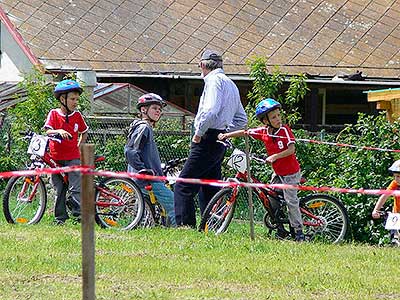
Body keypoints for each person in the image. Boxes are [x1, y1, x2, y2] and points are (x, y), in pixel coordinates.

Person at [174, 49, 247, 228]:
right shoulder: (231, 84)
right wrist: (225, 132)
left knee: (183, 185)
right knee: (209, 188)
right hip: (220, 140)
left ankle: (186, 227)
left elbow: (210, 111)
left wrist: (198, 134)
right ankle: (210, 228)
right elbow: (242, 119)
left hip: (207, 139)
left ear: (202, 65)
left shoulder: (213, 81)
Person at [218, 98, 305, 241]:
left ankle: (298, 231)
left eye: (278, 115)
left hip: (291, 173)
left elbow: (291, 149)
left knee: (291, 201)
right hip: (278, 172)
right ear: (265, 121)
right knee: (271, 197)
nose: (278, 119)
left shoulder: (284, 130)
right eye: (273, 117)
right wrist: (227, 135)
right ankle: (280, 228)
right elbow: (246, 132)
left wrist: (275, 156)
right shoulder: (264, 132)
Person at [124, 93, 176, 227]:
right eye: (154, 108)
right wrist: (143, 169)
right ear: (143, 110)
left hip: (145, 178)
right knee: (175, 204)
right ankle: (180, 232)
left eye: (160, 109)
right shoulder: (143, 127)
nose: (158, 111)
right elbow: (130, 151)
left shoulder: (145, 127)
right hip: (146, 180)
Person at [44, 79, 88, 225]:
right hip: (55, 158)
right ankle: (60, 219)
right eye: (72, 99)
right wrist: (59, 130)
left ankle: (79, 216)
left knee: (75, 187)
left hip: (72, 157)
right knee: (59, 189)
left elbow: (84, 132)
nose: (75, 102)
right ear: (63, 99)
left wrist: (79, 146)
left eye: (77, 99)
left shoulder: (77, 116)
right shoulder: (53, 114)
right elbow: (48, 131)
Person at [372, 159, 400, 245]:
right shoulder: (394, 184)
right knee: (387, 216)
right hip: (397, 214)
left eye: (399, 176)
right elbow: (384, 195)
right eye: (394, 176)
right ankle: (395, 239)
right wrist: (376, 210)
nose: (396, 179)